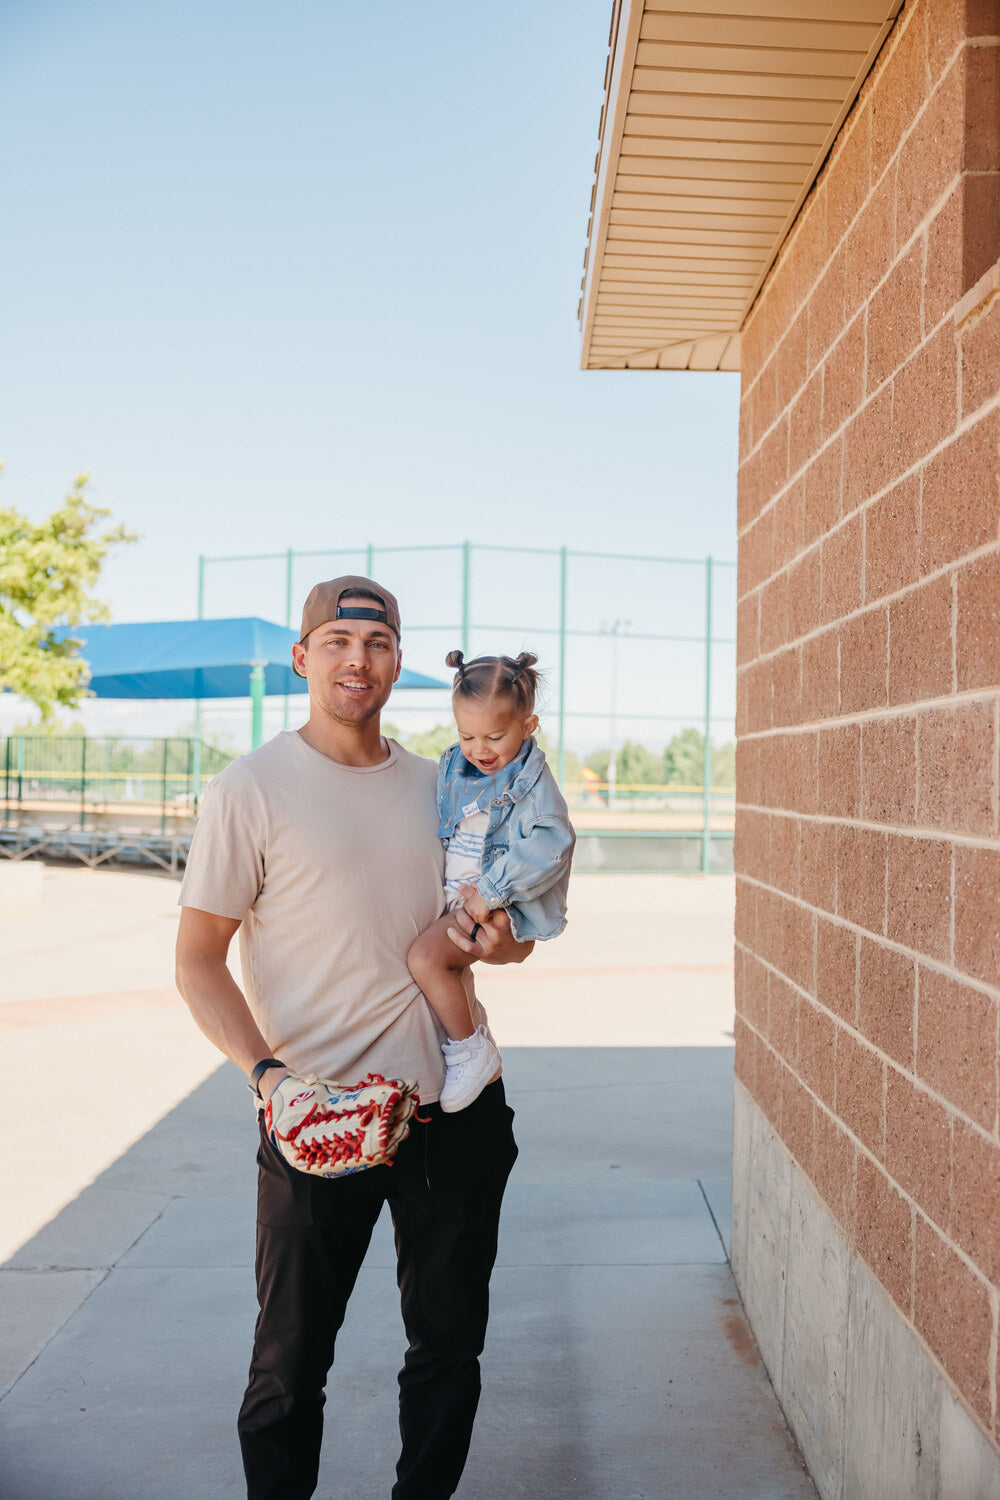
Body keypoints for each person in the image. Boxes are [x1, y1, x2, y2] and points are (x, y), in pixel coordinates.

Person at [174, 575, 528, 1500]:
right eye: (336, 641)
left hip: (451, 1111)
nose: (356, 660)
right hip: (317, 1119)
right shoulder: (249, 789)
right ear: (303, 657)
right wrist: (269, 1079)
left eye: (376, 643)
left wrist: (502, 939)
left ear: (399, 662)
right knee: (289, 1365)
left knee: (448, 1351)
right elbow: (198, 962)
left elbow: (512, 938)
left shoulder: (445, 784)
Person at [407, 649, 574, 1112]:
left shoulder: (532, 784)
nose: (479, 749)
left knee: (426, 958)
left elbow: (552, 842)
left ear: (528, 726)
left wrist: (490, 893)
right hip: (463, 897)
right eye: (467, 736)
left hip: (493, 900)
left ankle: (469, 1048)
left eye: (495, 737)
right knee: (436, 961)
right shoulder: (454, 767)